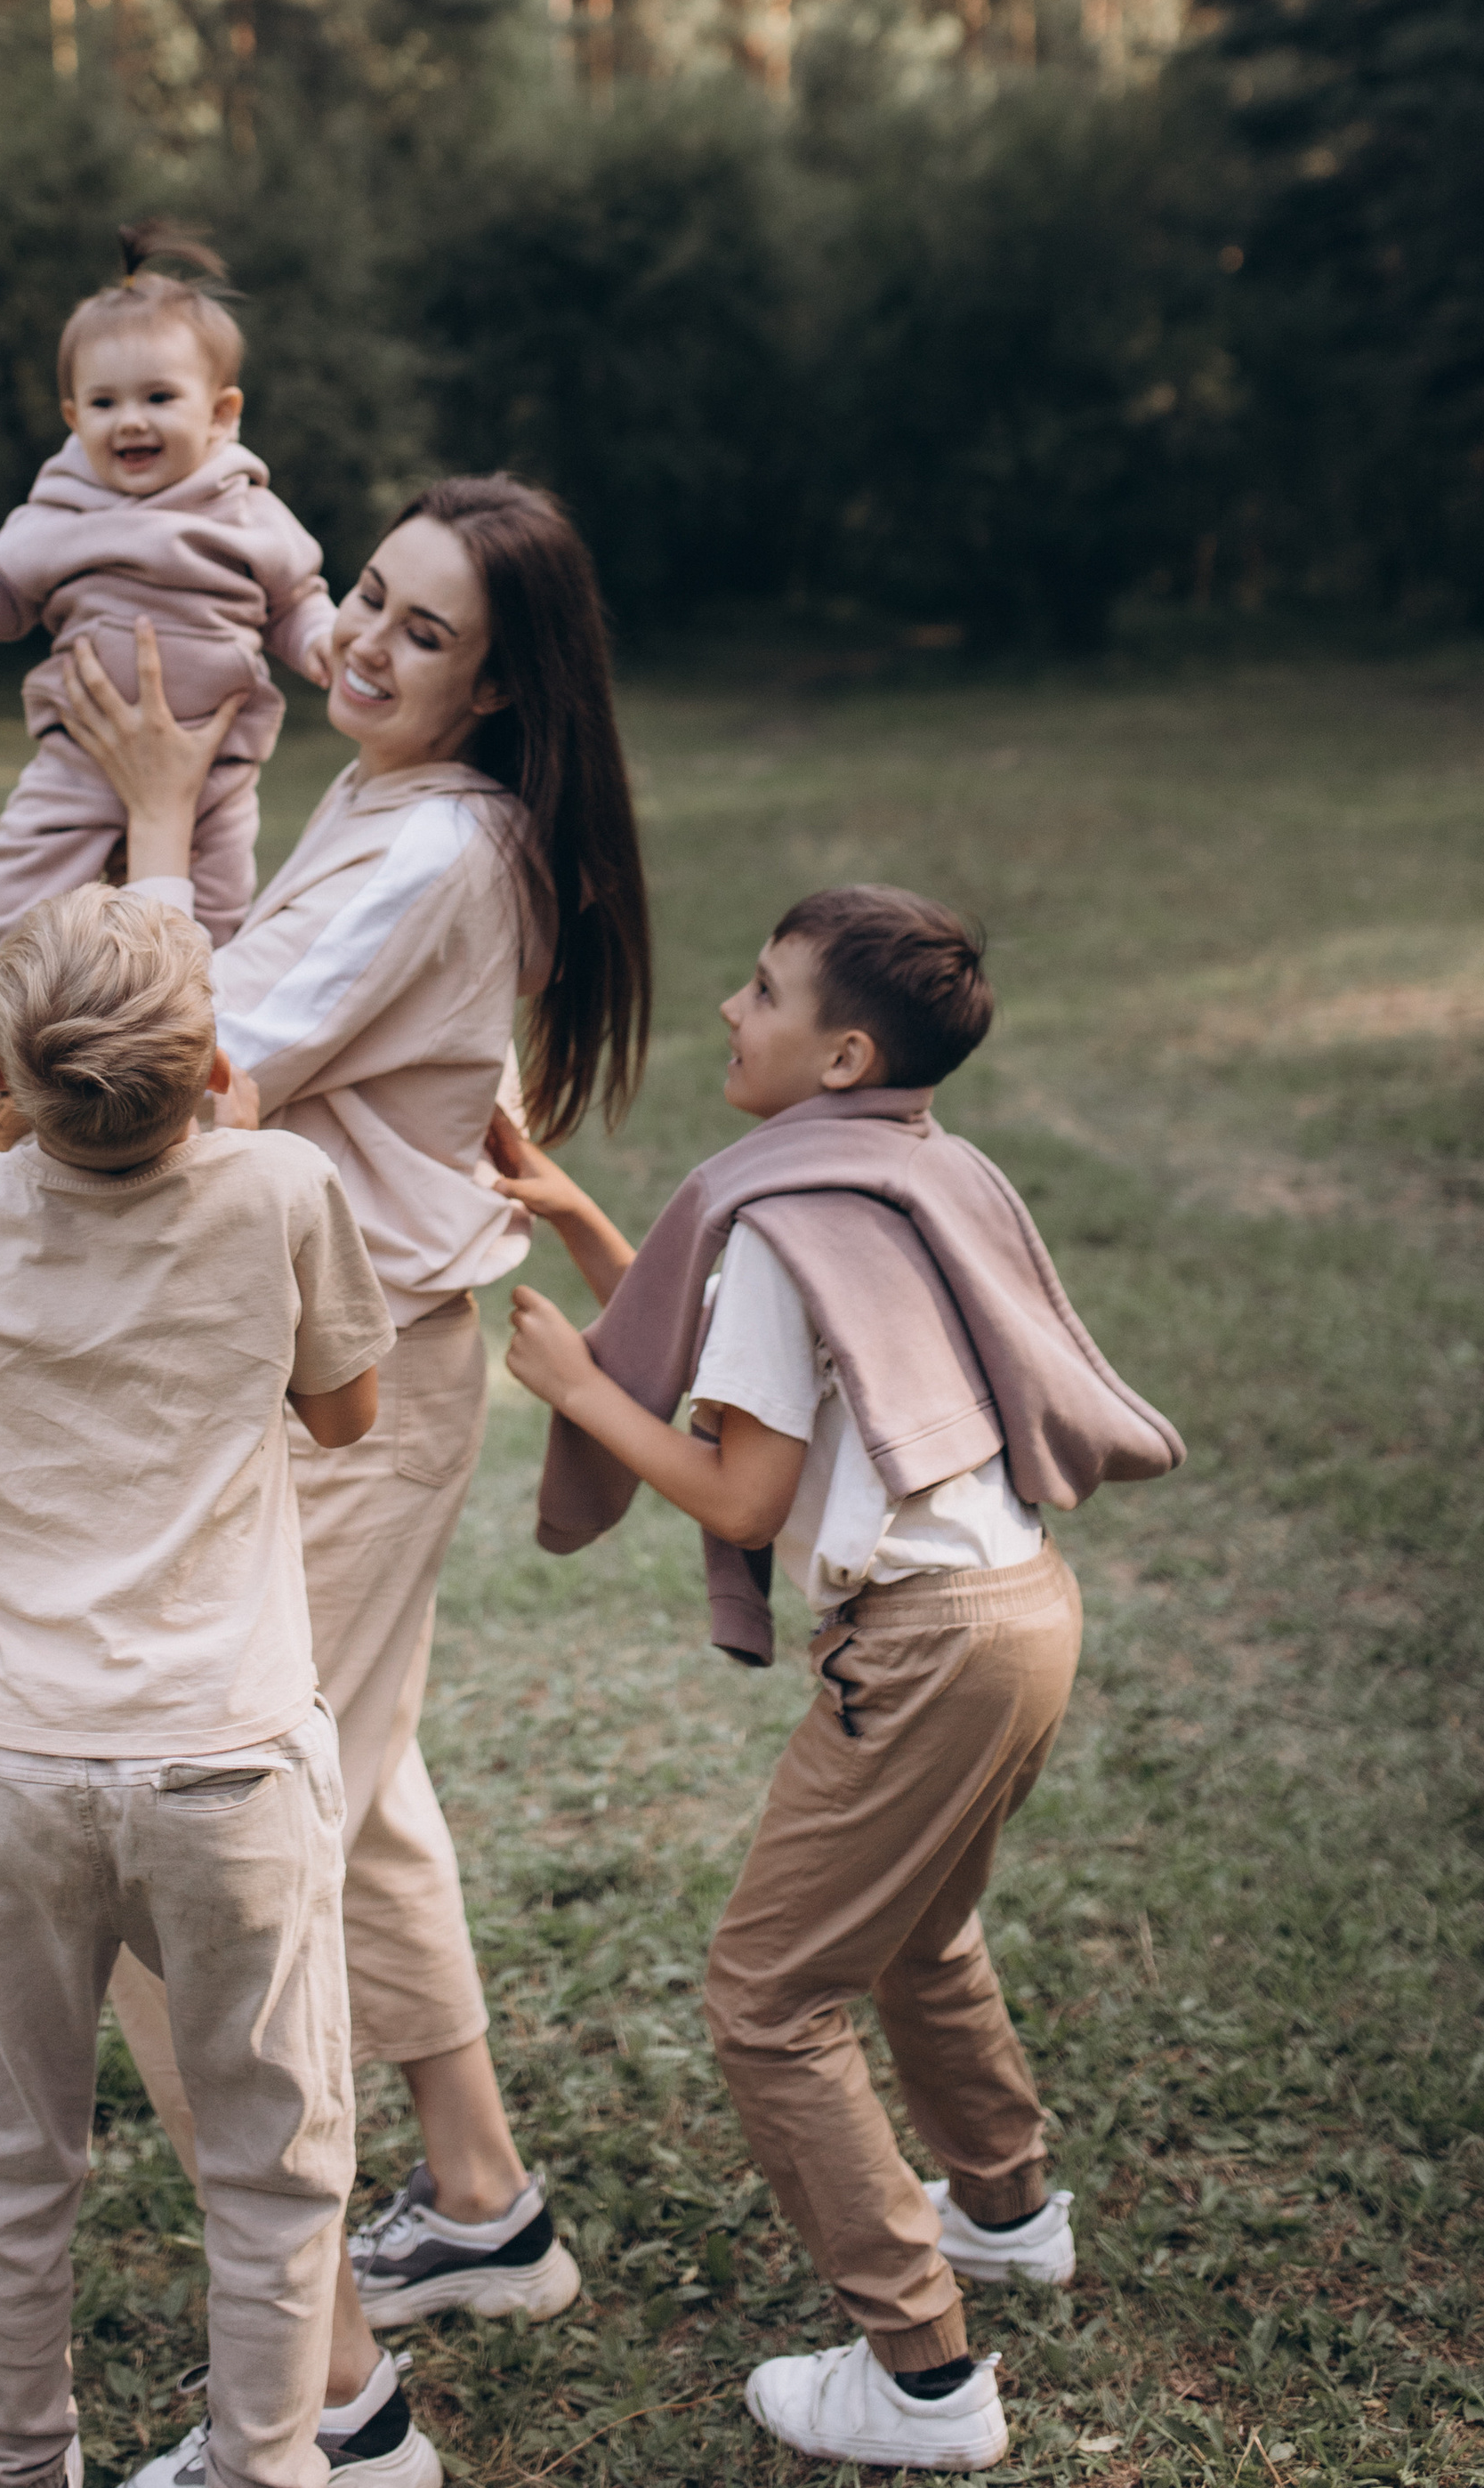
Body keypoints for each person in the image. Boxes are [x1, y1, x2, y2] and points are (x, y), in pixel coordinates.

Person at [48, 476, 651, 2488]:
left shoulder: (438, 847)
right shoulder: (400, 803)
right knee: (353, 1781)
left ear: (496, 695)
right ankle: (477, 2208)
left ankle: (325, 2410)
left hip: (354, 1391)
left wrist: (146, 814)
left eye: (419, 636)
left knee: (182, 1859)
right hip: (365, 1366)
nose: (361, 648)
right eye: (363, 601)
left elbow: (196, 1073)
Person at [495, 885, 1185, 2477]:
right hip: (1022, 1606)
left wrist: (566, 1387)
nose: (733, 1010)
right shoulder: (900, 1175)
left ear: (842, 1051)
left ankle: (925, 2384)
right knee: (918, 1929)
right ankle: (1005, 2212)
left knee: (767, 1996)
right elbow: (760, 1335)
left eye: (762, 989)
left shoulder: (790, 1220)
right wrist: (591, 1224)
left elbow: (741, 1493)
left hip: (927, 1642)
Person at [0, 885, 394, 2488]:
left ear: (5, 1063)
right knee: (272, 2164)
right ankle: (267, 2462)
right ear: (204, 1063)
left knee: (3, 2157)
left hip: (17, 1762)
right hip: (234, 1763)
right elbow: (345, 1415)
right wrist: (243, 1135)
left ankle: (15, 2465)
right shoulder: (282, 1186)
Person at [0, 224, 336, 1159]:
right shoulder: (59, 509)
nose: (128, 420)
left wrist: (325, 647)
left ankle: (187, 1063)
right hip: (78, 754)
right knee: (18, 887)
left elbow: (295, 604)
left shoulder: (245, 507)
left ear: (221, 412)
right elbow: (5, 598)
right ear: (72, 415)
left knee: (213, 917)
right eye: (102, 402)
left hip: (215, 767)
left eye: (156, 397)